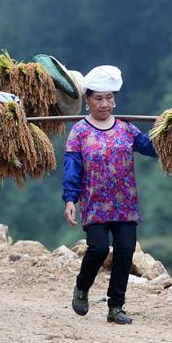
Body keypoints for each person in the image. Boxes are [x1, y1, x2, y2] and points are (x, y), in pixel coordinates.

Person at [62, 65, 157, 324]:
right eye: (98, 98)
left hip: (125, 203)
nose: (104, 104)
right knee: (99, 248)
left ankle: (116, 306)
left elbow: (150, 148)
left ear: (114, 100)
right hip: (95, 205)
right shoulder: (79, 133)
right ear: (87, 101)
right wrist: (70, 199)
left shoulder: (126, 129)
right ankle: (82, 287)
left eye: (109, 98)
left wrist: (169, 132)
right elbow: (72, 169)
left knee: (125, 251)